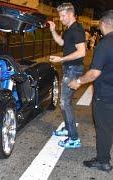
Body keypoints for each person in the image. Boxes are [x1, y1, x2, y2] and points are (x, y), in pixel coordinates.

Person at [69, 10, 113, 172]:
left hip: (105, 96)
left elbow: (94, 73)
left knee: (103, 128)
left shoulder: (104, 44)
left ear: (104, 23)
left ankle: (103, 161)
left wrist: (78, 81)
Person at [47, 3, 86, 148]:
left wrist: (61, 59)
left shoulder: (76, 29)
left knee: (65, 103)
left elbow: (82, 52)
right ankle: (68, 129)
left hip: (73, 69)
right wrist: (53, 30)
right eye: (60, 16)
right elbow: (62, 42)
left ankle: (74, 138)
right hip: (69, 68)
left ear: (70, 14)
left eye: (63, 16)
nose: (61, 19)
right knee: (65, 103)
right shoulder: (69, 29)